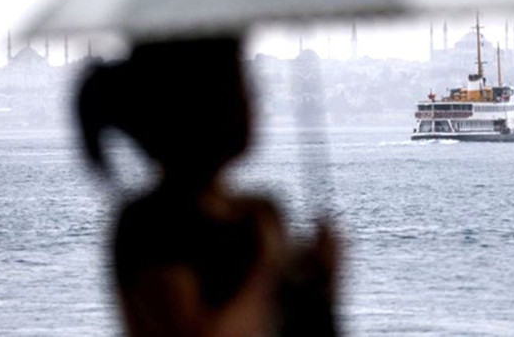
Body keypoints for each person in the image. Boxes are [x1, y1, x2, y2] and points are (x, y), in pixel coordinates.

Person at [76, 37, 339, 337]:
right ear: (197, 103)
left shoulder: (260, 213)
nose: (254, 100)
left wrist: (322, 285)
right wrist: (268, 268)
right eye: (239, 82)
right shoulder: (151, 226)